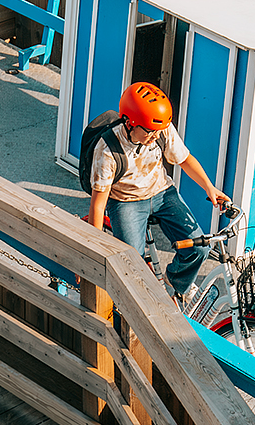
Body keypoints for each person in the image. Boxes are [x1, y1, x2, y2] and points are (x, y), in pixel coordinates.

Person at [87, 82, 233, 299]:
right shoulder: (107, 150)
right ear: (129, 123)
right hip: (126, 201)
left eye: (158, 131)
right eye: (149, 132)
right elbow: (98, 206)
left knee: (199, 248)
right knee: (131, 264)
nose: (155, 137)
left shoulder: (159, 129)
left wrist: (209, 187)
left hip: (162, 192)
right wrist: (93, 251)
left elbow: (184, 160)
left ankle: (176, 282)